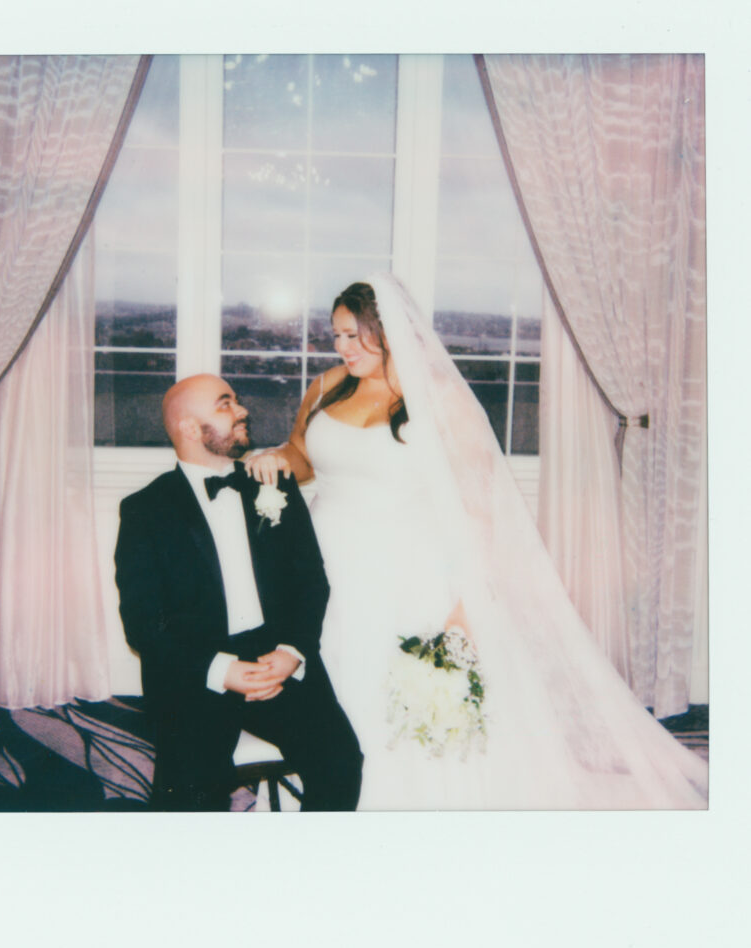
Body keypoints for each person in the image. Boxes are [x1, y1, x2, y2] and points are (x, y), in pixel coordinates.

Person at [246, 274, 708, 809]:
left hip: (406, 570)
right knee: (332, 683)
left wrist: (466, 603)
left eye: (354, 336)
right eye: (337, 336)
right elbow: (303, 454)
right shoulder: (326, 387)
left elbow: (480, 510)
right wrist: (277, 455)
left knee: (399, 690)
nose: (341, 348)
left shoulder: (441, 401)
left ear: (390, 333)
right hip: (325, 565)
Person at [114, 374, 362, 811]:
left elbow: (311, 581)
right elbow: (142, 623)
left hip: (275, 657)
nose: (243, 409)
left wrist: (292, 651)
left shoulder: (273, 485)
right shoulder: (145, 510)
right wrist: (220, 670)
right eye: (225, 404)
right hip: (196, 667)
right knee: (189, 794)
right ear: (191, 428)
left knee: (339, 762)